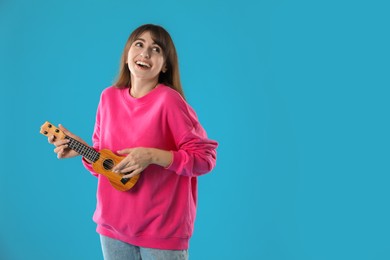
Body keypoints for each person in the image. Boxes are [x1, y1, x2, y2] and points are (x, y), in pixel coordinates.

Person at [48, 24, 218, 260]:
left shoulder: (169, 101)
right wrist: (84, 151)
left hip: (161, 233)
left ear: (165, 65)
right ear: (127, 53)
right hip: (112, 228)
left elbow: (205, 159)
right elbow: (106, 168)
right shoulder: (108, 98)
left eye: (156, 49)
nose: (145, 54)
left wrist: (152, 156)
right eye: (139, 44)